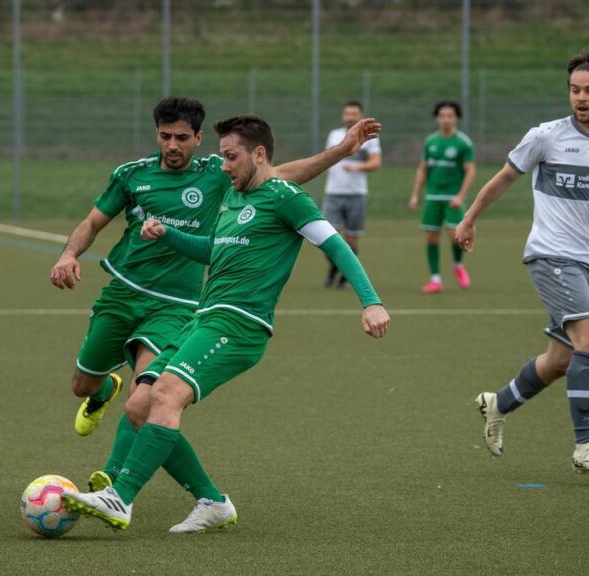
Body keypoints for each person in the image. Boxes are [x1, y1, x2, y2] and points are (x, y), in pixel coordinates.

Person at [61, 114, 390, 532]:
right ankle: (213, 503)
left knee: (165, 394)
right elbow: (212, 250)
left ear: (258, 154)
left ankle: (119, 497)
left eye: (230, 157)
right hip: (204, 318)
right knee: (140, 406)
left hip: (239, 325)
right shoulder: (234, 198)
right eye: (222, 157)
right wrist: (167, 234)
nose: (224, 166)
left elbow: (336, 245)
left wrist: (370, 302)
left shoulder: (286, 197)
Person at [456, 47, 589, 474]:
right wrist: (468, 219)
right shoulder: (546, 136)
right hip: (550, 256)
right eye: (575, 90)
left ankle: (497, 403)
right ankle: (584, 445)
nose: (580, 98)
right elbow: (502, 180)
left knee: (561, 360)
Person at [408, 101, 475, 293]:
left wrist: (461, 196)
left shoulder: (463, 143)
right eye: (442, 115)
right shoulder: (431, 142)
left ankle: (457, 265)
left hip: (452, 197)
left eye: (450, 115)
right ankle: (435, 280)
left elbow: (470, 171)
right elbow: (423, 169)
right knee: (431, 237)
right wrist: (415, 195)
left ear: (456, 118)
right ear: (437, 118)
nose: (445, 119)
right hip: (433, 197)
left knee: (456, 237)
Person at [320, 100, 382, 288]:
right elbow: (326, 158)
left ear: (360, 116)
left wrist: (358, 165)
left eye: (354, 113)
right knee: (325, 237)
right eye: (348, 113)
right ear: (343, 116)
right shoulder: (334, 135)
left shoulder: (369, 137)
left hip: (356, 194)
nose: (351, 116)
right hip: (333, 193)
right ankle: (334, 269)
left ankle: (344, 277)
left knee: (351, 238)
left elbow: (376, 163)